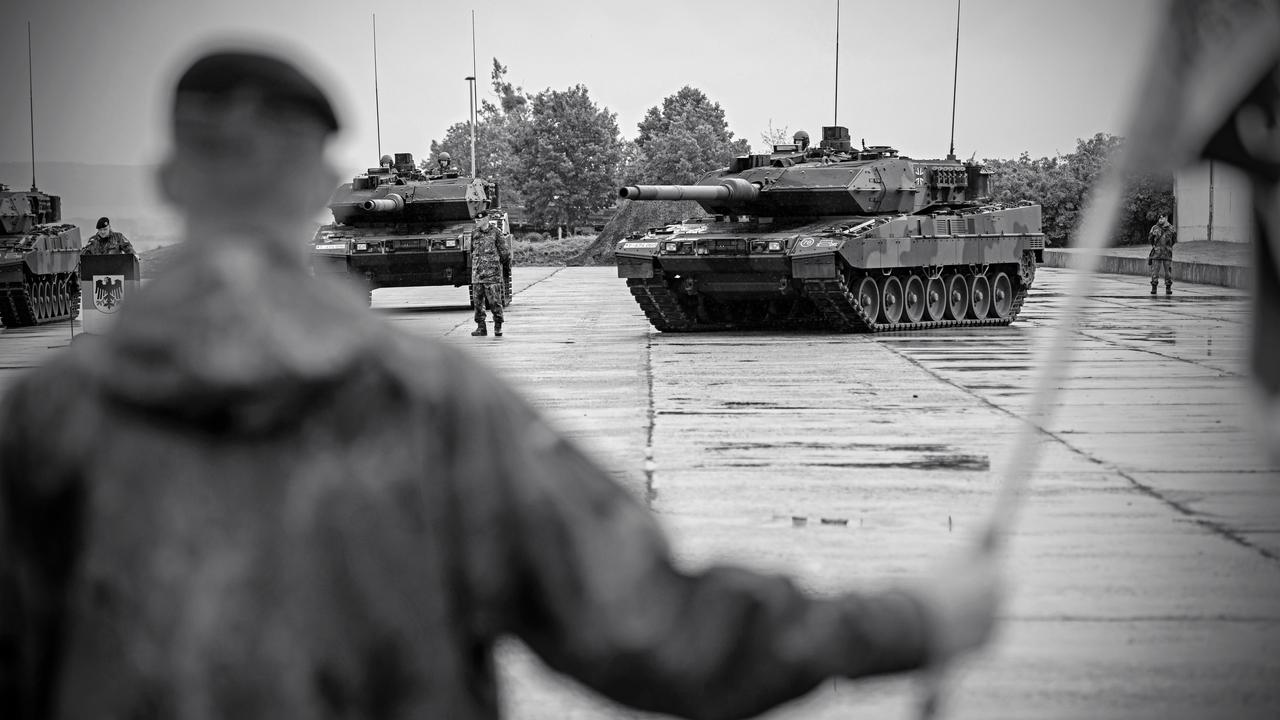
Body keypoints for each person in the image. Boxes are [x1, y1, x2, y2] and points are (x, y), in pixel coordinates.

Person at [0, 47, 1000, 720]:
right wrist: (906, 622)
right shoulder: (431, 404)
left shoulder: (44, 419)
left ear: (172, 180)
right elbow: (648, 623)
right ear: (319, 185)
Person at [470, 208, 510, 337]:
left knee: (495, 303)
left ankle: (498, 326)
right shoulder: (474, 233)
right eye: (476, 219)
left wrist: (497, 266)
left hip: (492, 275)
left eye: (479, 219)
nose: (477, 222)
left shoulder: (496, 233)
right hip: (478, 275)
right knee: (477, 303)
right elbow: (472, 251)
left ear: (486, 219)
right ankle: (481, 328)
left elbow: (504, 253)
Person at [1148, 213, 1177, 295]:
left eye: (1162, 218)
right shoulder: (1154, 228)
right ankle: (1154, 287)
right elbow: (1150, 239)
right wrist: (1155, 246)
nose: (1160, 220)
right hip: (1156, 253)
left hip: (1167, 253)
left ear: (1166, 218)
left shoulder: (1171, 228)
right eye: (1159, 218)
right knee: (1155, 272)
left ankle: (1168, 288)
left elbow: (1174, 239)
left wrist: (1168, 247)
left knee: (1168, 272)